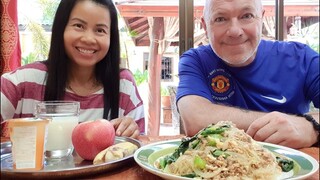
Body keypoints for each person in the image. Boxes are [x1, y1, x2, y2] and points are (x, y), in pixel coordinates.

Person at [177, 0, 319, 149]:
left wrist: (311, 128)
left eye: (246, 16)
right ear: (205, 26)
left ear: (261, 18)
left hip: (291, 168)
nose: (235, 31)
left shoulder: (302, 58)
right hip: (217, 167)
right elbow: (195, 120)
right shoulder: (196, 60)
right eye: (220, 19)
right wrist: (288, 122)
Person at [1, 0, 144, 138]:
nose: (88, 39)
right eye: (79, 26)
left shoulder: (123, 85)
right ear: (61, 28)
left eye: (100, 30)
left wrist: (131, 131)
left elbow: (139, 151)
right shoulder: (25, 81)